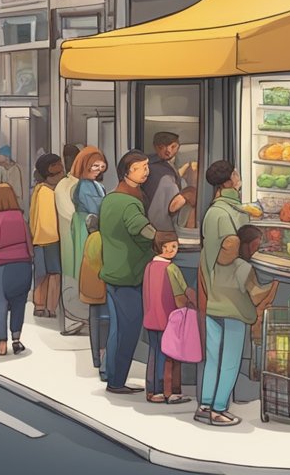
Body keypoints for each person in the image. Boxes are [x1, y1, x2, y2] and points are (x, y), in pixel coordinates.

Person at [198, 161, 258, 426]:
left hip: (212, 293)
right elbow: (233, 251)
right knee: (231, 357)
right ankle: (219, 408)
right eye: (236, 173)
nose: (239, 177)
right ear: (229, 181)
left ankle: (205, 404)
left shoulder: (213, 213)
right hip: (231, 294)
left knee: (213, 356)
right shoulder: (233, 214)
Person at [99, 150, 157, 394]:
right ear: (127, 171)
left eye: (146, 166)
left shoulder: (111, 198)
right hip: (129, 274)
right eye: (140, 167)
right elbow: (140, 229)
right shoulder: (131, 202)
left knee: (116, 329)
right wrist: (160, 239)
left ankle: (109, 373)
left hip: (112, 271)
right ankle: (117, 381)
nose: (146, 171)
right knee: (129, 331)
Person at [144, 230, 193, 405]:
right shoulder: (172, 269)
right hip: (169, 319)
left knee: (154, 353)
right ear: (160, 248)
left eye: (174, 246)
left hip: (151, 318)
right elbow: (180, 295)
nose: (172, 250)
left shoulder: (149, 267)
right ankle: (170, 392)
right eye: (168, 247)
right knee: (170, 356)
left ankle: (153, 390)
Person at [0, 183, 34, 357]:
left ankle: (2, 343)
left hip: (2, 268)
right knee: (19, 303)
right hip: (23, 267)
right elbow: (29, 243)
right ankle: (16, 339)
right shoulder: (21, 218)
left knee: (0, 304)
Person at [29, 154, 65, 319]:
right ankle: (49, 307)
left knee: (41, 274)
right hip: (51, 239)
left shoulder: (39, 190)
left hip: (39, 239)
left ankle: (41, 305)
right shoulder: (47, 192)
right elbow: (48, 220)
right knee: (54, 274)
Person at [57, 144, 85, 334]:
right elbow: (70, 214)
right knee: (72, 278)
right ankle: (74, 318)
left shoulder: (67, 185)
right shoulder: (68, 186)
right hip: (73, 240)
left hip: (76, 240)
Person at [80, 212, 110, 382]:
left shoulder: (90, 239)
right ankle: (103, 361)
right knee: (104, 322)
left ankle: (96, 359)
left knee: (94, 321)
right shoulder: (101, 238)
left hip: (89, 286)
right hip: (101, 284)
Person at [144, 132, 193, 233]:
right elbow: (160, 207)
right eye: (162, 147)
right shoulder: (153, 169)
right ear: (155, 147)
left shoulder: (170, 164)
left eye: (173, 146)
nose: (168, 151)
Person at [0, 146, 23, 212]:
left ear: (8, 159)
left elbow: (16, 192)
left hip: (13, 206)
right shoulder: (1, 170)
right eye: (0, 164)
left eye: (2, 163)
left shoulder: (15, 170)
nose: (2, 166)